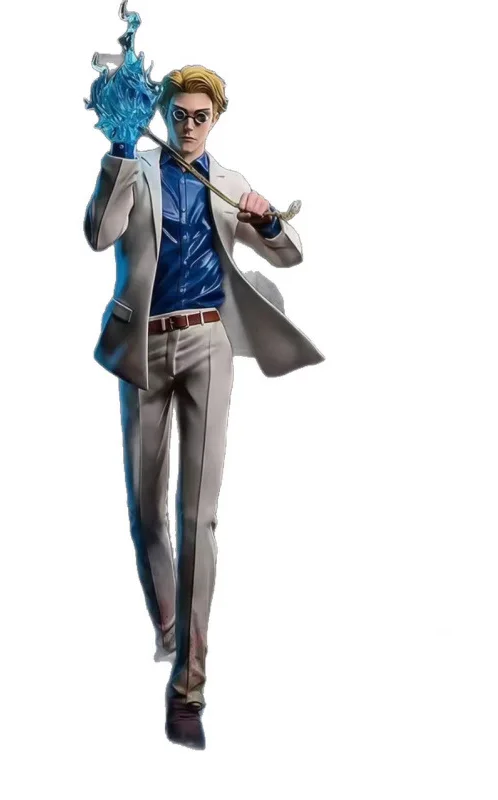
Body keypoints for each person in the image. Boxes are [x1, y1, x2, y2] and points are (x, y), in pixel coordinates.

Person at [83, 65, 324, 749]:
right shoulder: (137, 170)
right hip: (142, 347)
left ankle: (189, 686)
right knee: (145, 510)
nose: (188, 127)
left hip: (207, 344)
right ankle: (170, 627)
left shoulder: (228, 180)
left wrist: (267, 221)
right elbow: (99, 234)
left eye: (200, 117)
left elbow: (291, 254)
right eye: (179, 114)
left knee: (198, 516)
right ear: (164, 111)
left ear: (215, 119)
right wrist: (119, 150)